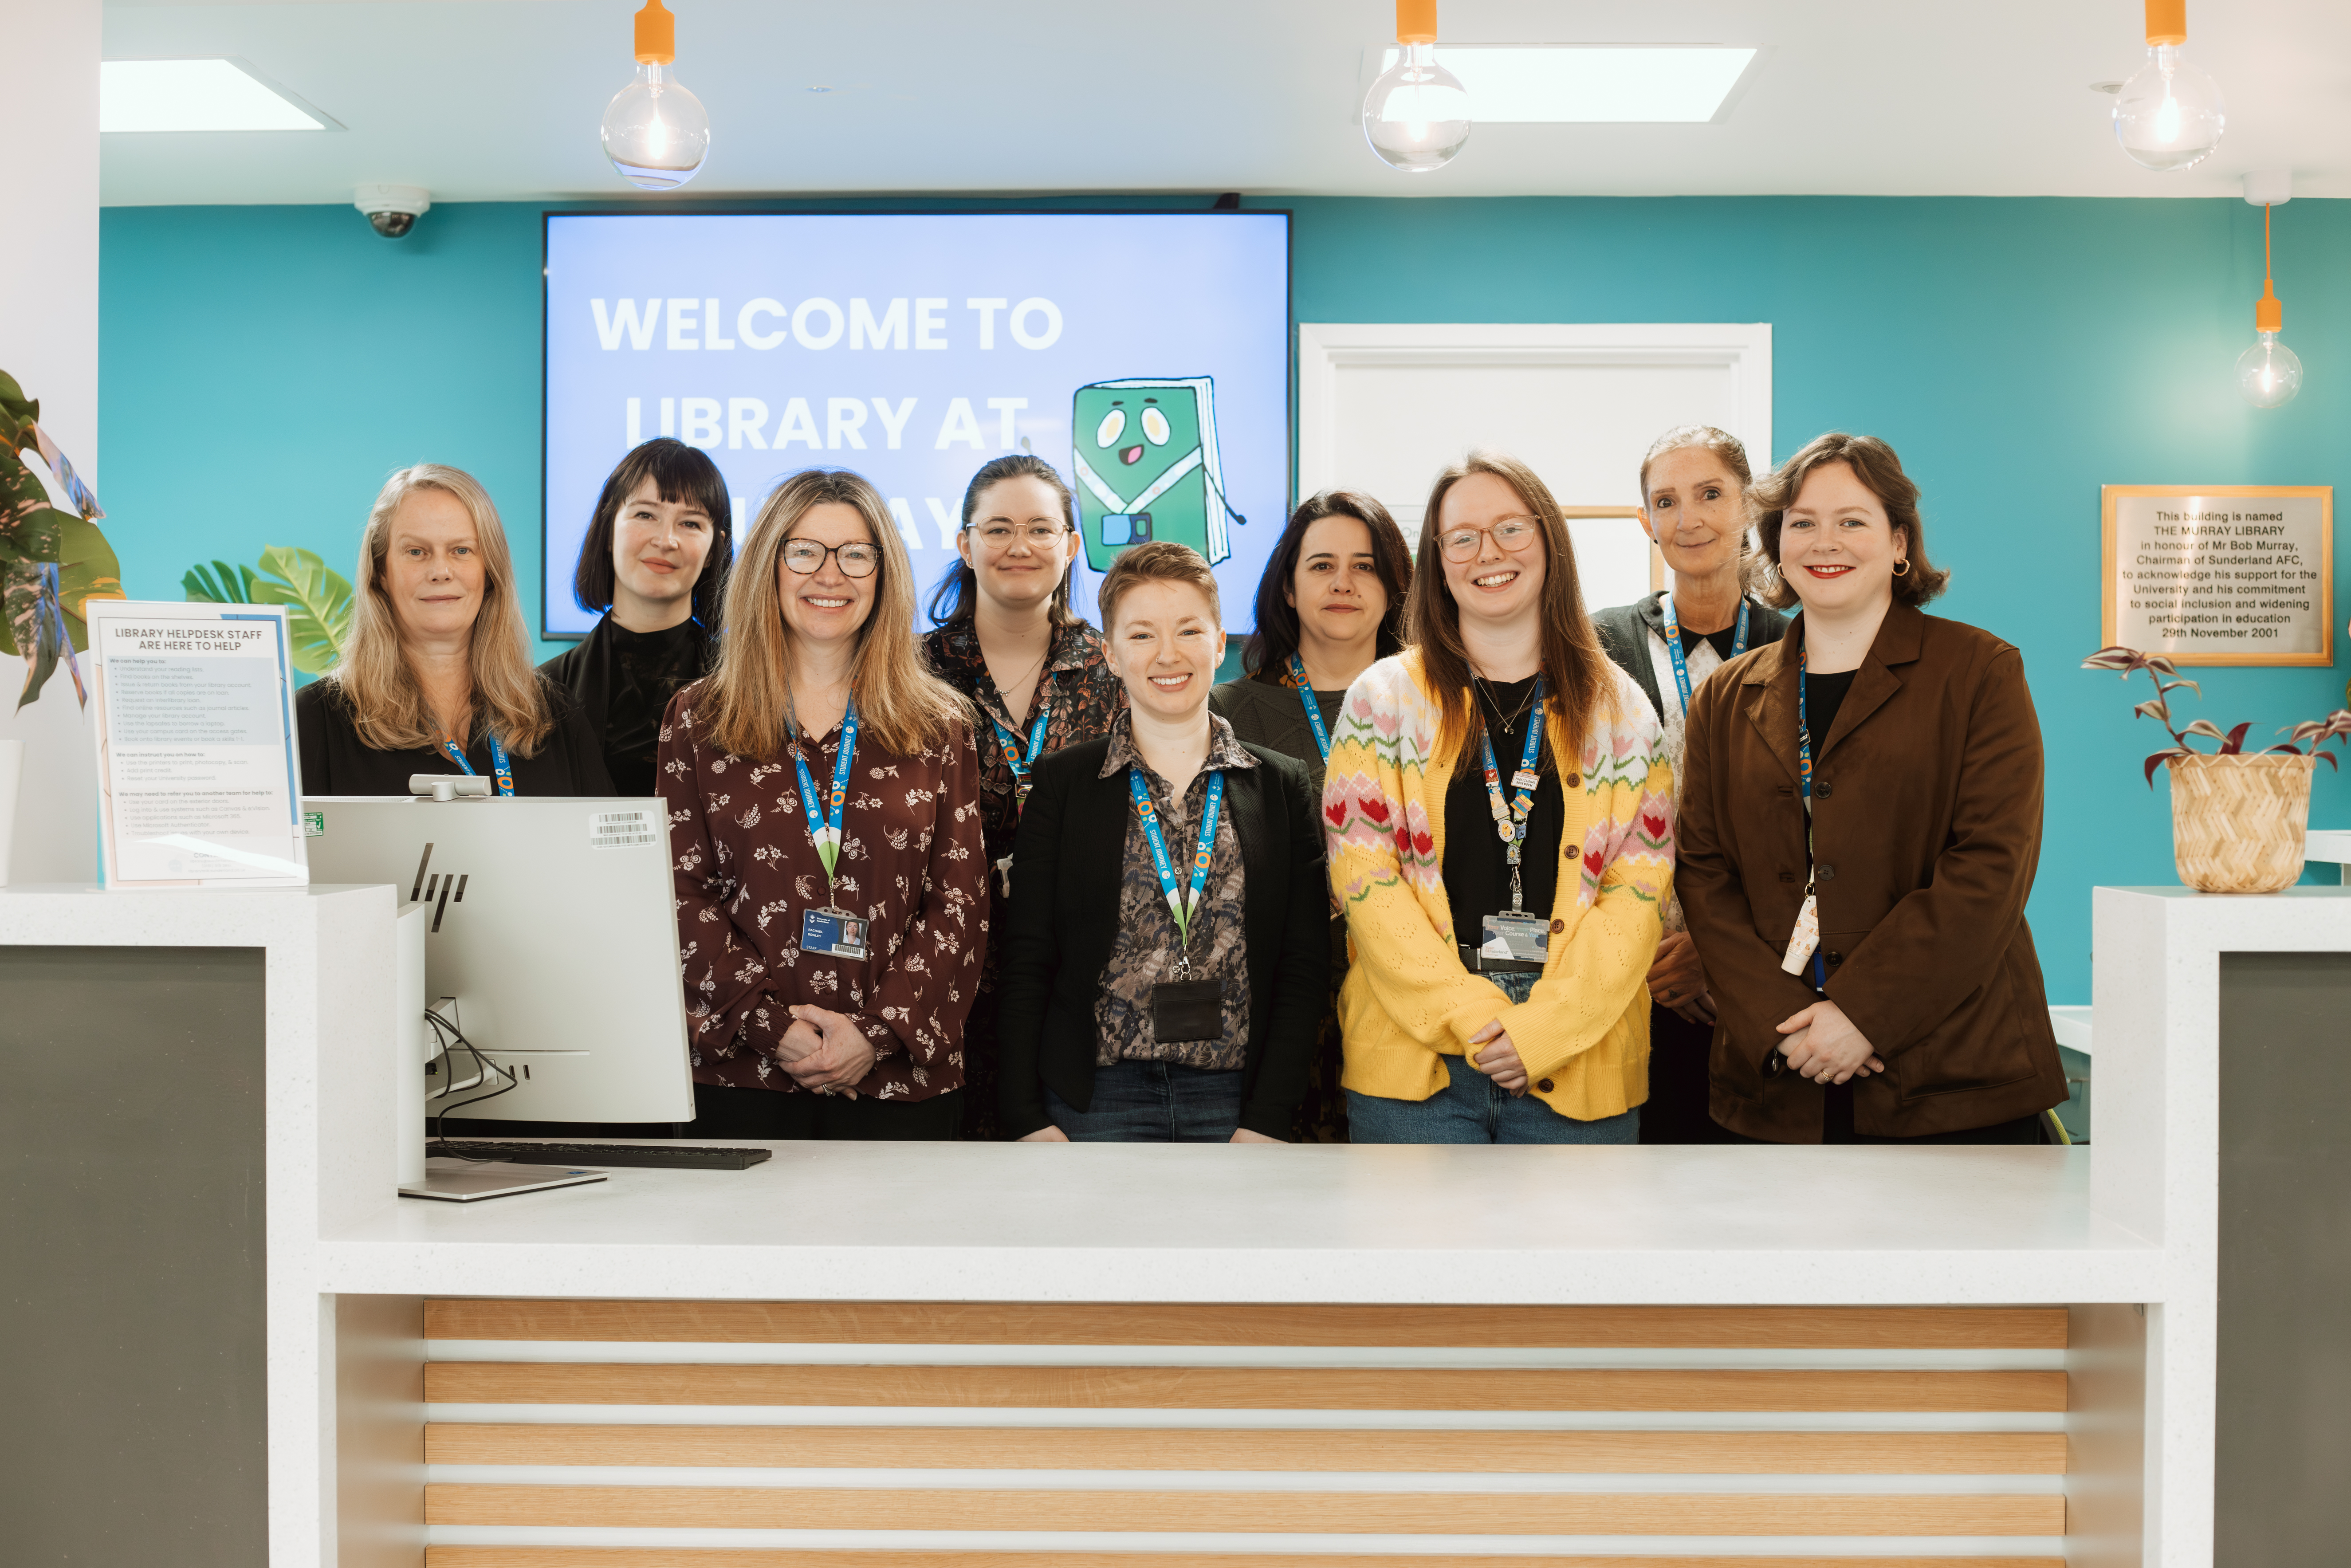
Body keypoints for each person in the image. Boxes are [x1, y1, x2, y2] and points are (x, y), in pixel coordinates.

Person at [1675, 432, 2066, 1143]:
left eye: (1852, 520)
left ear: (1898, 543)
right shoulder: (1726, 695)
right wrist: (1782, 1024)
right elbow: (1704, 874)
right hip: (1776, 1075)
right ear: (1777, 547)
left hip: (1950, 1072)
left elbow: (1990, 866)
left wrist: (1862, 1015)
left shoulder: (1979, 671)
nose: (1826, 541)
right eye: (1802, 523)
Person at [1326, 451, 1672, 1144]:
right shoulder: (1382, 700)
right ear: (1439, 558)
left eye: (1512, 528)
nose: (1489, 552)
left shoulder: (1621, 707)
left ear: (1550, 541)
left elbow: (1640, 895)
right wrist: (1472, 1013)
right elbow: (1365, 882)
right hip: (1415, 1067)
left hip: (1581, 1054)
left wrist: (1543, 1027)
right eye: (1463, 536)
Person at [657, 468, 987, 1141]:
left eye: (855, 554)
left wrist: (875, 1033)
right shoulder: (696, 718)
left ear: (883, 572)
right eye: (804, 551)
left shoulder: (941, 723)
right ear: (768, 567)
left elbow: (960, 900)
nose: (829, 575)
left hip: (898, 1082)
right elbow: (677, 890)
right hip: (743, 1072)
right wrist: (772, 1026)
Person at [995, 542, 1327, 1144]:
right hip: (1096, 1098)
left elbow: (1304, 966)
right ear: (1111, 653)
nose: (1168, 654)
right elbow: (1026, 959)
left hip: (1236, 1098)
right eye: (1142, 635)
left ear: (1220, 643)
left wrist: (1270, 1117)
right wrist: (1025, 1116)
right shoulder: (1063, 784)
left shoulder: (1281, 785)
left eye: (1189, 630)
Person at [1592, 426, 1791, 1144]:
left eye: (1710, 494)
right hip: (1624, 972)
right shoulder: (1596, 646)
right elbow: (1577, 813)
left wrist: (1715, 952)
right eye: (1666, 501)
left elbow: (1809, 828)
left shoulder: (1798, 646)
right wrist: (1634, 946)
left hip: (1757, 975)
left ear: (1749, 506)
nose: (1690, 518)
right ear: (1645, 521)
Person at [919, 455, 1125, 1140]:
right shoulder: (909, 670)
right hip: (937, 974)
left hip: (1076, 980)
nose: (1019, 547)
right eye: (999, 528)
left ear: (1071, 545)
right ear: (965, 545)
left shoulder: (1115, 668)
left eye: (1041, 529)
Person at [1210, 490, 1413, 1141]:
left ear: (1395, 588)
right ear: (1289, 588)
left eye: (1365, 565)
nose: (1344, 583)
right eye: (1322, 565)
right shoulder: (1225, 712)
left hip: (1407, 998)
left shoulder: (1440, 706)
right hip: (1266, 1003)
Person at [298, 464, 612, 797]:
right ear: (381, 573)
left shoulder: (555, 716)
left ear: (490, 571)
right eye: (416, 552)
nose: (441, 571)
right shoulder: (316, 721)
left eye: (462, 550)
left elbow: (611, 848)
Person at [542, 438, 733, 799]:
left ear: (713, 550)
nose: (666, 540)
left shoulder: (749, 681)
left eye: (691, 523)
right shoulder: (545, 693)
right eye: (645, 515)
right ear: (609, 528)